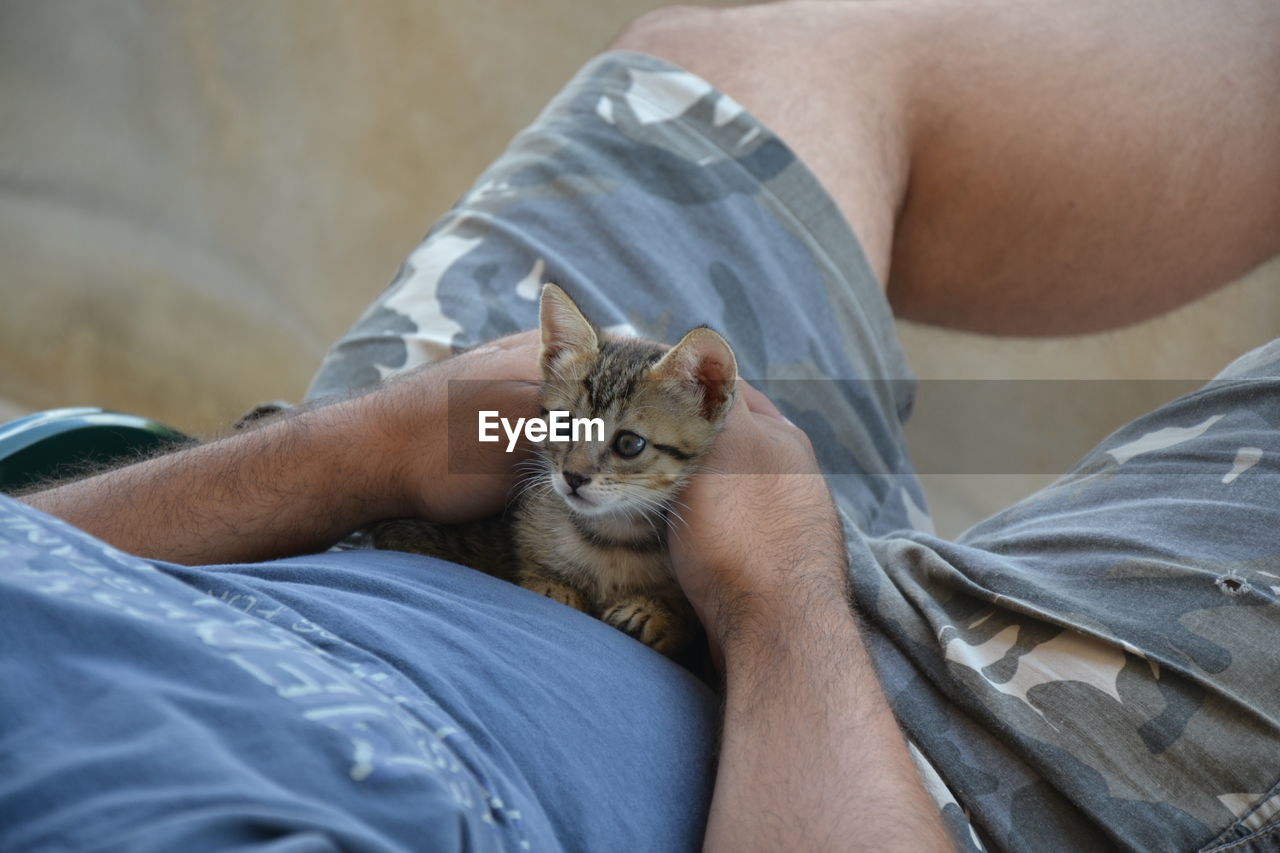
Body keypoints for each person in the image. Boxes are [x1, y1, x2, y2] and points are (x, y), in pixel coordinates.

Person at [6, 1, 1279, 850]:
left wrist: (367, 448)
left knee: (770, 50)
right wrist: (780, 609)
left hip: (362, 515)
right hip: (830, 758)